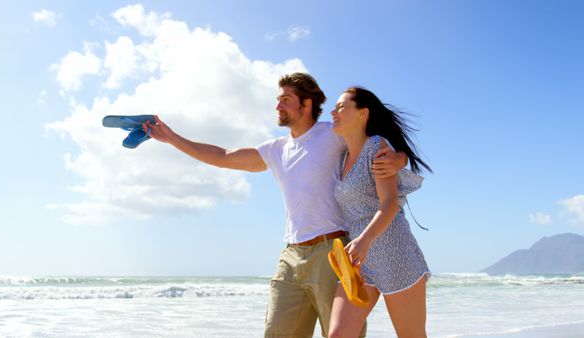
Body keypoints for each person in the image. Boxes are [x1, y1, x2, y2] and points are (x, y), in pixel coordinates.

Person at [142, 73, 407, 338]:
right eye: (278, 100)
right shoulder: (276, 149)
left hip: (333, 251)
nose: (278, 106)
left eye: (286, 100)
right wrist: (172, 138)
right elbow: (222, 156)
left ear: (306, 105)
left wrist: (400, 158)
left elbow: (376, 142)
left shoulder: (332, 133)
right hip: (290, 257)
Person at [327, 87, 432, 338]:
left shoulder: (376, 146)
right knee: (338, 335)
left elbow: (389, 204)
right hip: (359, 261)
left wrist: (364, 241)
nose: (333, 111)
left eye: (341, 107)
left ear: (363, 113)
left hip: (394, 252)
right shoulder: (342, 157)